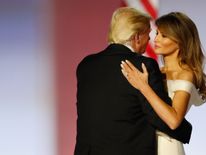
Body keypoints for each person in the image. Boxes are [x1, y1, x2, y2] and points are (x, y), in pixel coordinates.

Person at [74, 7, 192, 155]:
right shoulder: (143, 65)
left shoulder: (86, 65)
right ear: (137, 37)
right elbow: (156, 116)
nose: (151, 39)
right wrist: (186, 130)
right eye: (148, 34)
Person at [121, 12, 206, 155]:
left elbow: (173, 121)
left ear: (180, 41)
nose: (156, 39)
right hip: (143, 143)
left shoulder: (186, 74)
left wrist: (143, 86)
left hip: (167, 145)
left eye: (164, 36)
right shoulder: (155, 72)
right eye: (157, 33)